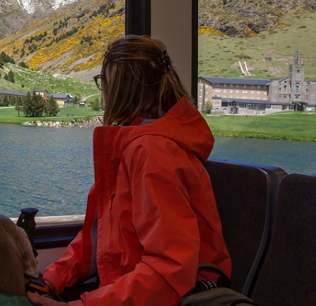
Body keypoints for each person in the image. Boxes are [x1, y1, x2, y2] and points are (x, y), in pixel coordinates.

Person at [28, 35, 231, 306]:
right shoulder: (135, 147)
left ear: (119, 89)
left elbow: (168, 272)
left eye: (103, 82)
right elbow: (98, 241)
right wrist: (49, 281)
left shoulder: (152, 154)